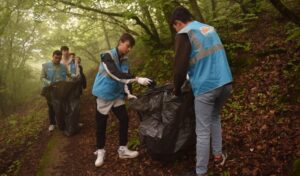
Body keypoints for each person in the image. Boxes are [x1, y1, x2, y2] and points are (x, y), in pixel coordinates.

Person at [170, 7, 233, 176]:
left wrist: (176, 88)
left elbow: (179, 68)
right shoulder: (208, 28)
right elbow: (207, 58)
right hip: (225, 82)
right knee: (215, 117)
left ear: (178, 23)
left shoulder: (185, 33)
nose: (176, 30)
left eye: (175, 27)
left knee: (202, 131)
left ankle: (200, 172)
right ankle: (218, 156)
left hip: (206, 88)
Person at [92, 33, 152, 167]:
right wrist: (137, 78)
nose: (129, 49)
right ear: (120, 42)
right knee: (101, 123)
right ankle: (101, 150)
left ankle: (123, 149)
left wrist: (128, 93)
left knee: (124, 119)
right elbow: (115, 74)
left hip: (116, 94)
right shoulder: (107, 56)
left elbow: (125, 77)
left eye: (131, 47)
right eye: (128, 46)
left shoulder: (124, 59)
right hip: (103, 94)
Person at [41, 50, 68, 132]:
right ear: (52, 56)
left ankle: (63, 121)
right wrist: (49, 82)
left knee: (62, 105)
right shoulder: (46, 66)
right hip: (49, 90)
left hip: (61, 89)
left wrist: (74, 76)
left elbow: (69, 74)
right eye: (56, 58)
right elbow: (42, 77)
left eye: (59, 58)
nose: (58, 60)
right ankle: (52, 123)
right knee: (51, 107)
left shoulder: (63, 66)